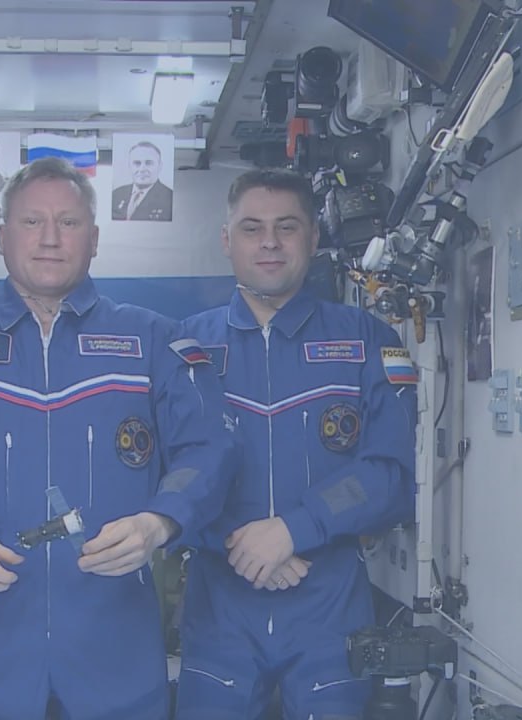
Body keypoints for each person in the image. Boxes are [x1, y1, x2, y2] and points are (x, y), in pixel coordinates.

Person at [0, 156, 235, 720]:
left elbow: (209, 449)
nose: (51, 238)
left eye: (69, 222)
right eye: (32, 222)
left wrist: (160, 521)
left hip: (115, 647)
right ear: (2, 238)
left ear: (95, 239)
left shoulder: (154, 341)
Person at [177, 169, 418, 719]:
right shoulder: (184, 348)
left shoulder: (366, 339)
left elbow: (392, 473)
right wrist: (238, 541)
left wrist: (293, 530)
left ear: (312, 239)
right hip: (220, 607)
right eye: (252, 228)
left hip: (328, 604)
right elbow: (162, 472)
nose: (269, 242)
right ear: (226, 240)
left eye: (286, 227)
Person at [111, 141, 173, 221]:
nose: (142, 169)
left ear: (160, 166)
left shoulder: (169, 198)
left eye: (148, 163)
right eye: (137, 163)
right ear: (129, 166)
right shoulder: (116, 194)